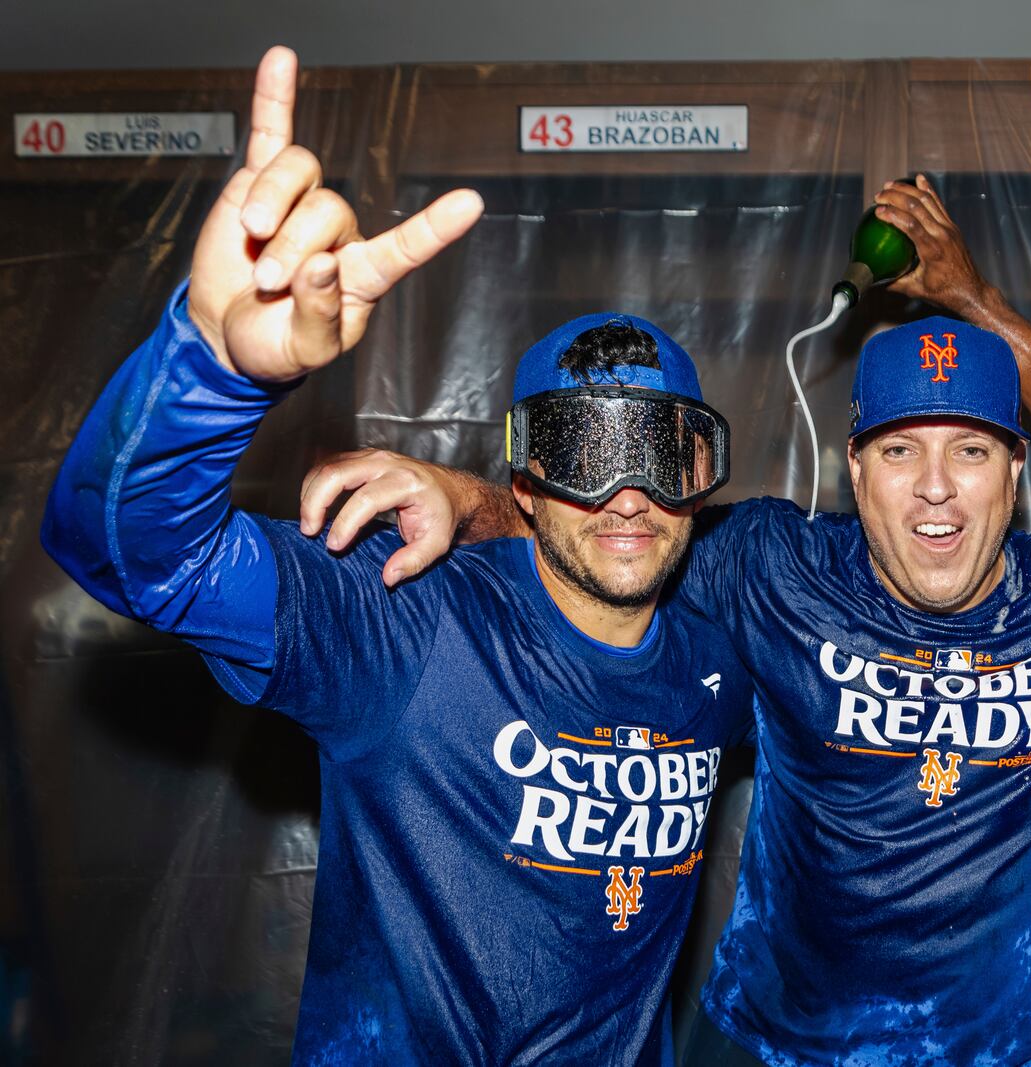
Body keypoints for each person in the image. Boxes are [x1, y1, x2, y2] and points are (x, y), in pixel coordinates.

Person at [314, 196, 1031, 1064]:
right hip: (779, 1045)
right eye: (901, 452)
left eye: (970, 450)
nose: (936, 490)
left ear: (1017, 473)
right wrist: (464, 494)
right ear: (854, 472)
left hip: (1022, 1050)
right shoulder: (771, 562)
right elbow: (612, 519)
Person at [40, 46, 756, 1065]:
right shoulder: (407, 624)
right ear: (523, 475)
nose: (627, 494)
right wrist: (210, 363)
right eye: (581, 454)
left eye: (657, 453)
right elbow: (131, 552)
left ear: (703, 471)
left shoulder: (717, 669)